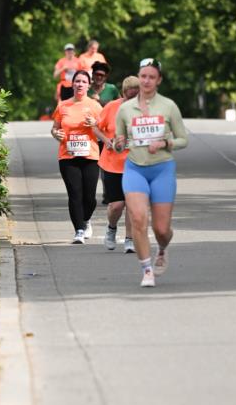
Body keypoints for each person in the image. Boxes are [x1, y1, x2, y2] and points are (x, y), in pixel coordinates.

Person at [115, 57, 188, 287]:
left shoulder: (168, 106)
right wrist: (118, 143)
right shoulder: (125, 109)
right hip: (135, 169)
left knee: (161, 229)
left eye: (151, 77)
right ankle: (147, 270)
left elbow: (183, 139)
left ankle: (162, 248)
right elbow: (119, 141)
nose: (146, 81)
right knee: (138, 218)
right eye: (143, 76)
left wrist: (165, 143)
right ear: (139, 77)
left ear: (159, 80)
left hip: (162, 169)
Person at [51, 70, 103, 243]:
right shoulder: (63, 105)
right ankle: (79, 230)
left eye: (83, 82)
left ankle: (86, 220)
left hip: (90, 156)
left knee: (90, 198)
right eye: (77, 81)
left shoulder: (95, 106)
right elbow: (55, 128)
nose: (80, 84)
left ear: (88, 85)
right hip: (68, 156)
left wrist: (95, 124)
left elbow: (105, 128)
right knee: (75, 194)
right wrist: (56, 134)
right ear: (72, 84)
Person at [95, 76, 140, 253]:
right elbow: (96, 127)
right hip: (112, 164)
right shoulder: (111, 107)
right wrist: (106, 140)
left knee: (131, 204)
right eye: (130, 96)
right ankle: (111, 228)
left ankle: (129, 239)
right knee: (116, 205)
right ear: (123, 93)